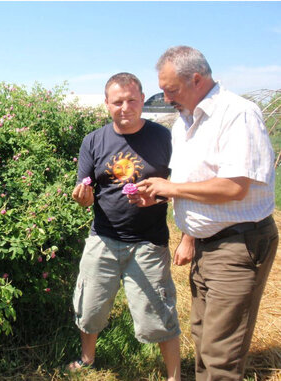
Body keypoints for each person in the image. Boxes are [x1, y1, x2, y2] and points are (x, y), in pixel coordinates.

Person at [133, 45, 277, 380]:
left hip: (238, 245)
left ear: (196, 79)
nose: (167, 98)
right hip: (207, 244)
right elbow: (196, 182)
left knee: (221, 352)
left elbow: (234, 187)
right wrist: (161, 192)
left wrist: (172, 190)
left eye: (171, 90)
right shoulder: (184, 124)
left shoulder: (237, 114)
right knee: (202, 334)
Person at [69, 72, 181, 380]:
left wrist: (161, 199)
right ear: (106, 104)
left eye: (132, 100)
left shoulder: (165, 138)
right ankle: (88, 359)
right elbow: (84, 194)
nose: (125, 107)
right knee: (89, 308)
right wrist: (82, 197)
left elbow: (182, 187)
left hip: (149, 241)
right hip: (103, 237)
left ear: (143, 99)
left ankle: (174, 376)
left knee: (158, 313)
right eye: (117, 101)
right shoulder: (94, 140)